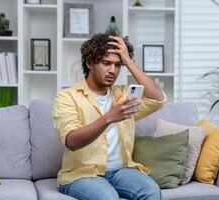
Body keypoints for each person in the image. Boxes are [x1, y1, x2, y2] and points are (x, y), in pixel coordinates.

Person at [53, 33, 166, 200]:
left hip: (121, 171)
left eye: (118, 65)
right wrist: (109, 117)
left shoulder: (123, 94)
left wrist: (129, 61)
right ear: (89, 63)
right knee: (108, 197)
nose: (113, 70)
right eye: (106, 63)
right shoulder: (67, 97)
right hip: (82, 174)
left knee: (151, 191)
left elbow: (158, 99)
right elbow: (71, 141)